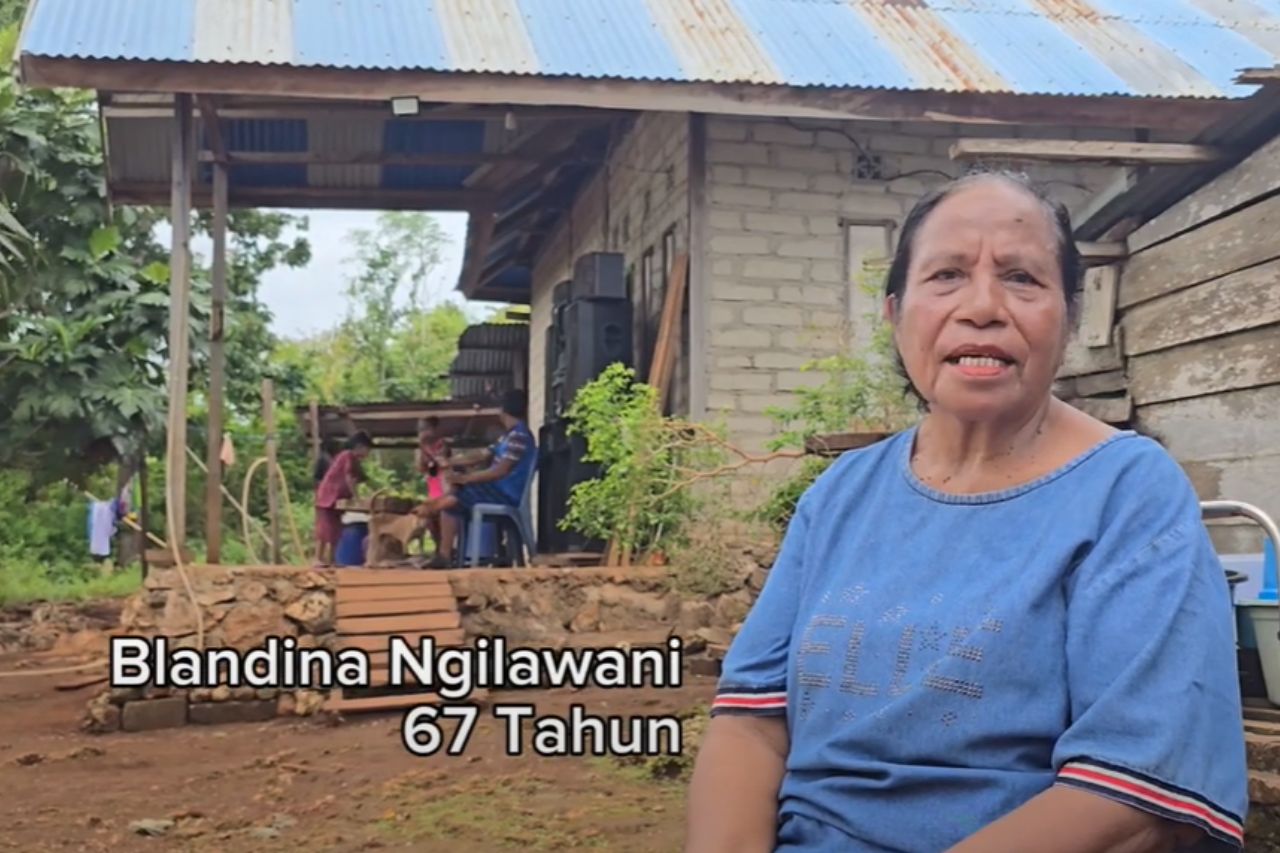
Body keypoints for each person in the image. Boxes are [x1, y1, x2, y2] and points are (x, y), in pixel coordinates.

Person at [685, 172, 1248, 853]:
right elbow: (750, 720)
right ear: (894, 314)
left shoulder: (1127, 493)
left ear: (1068, 319)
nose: (982, 305)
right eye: (947, 274)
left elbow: (1131, 792)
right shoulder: (841, 495)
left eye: (1022, 278)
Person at [415, 389, 536, 568]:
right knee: (456, 493)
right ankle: (441, 541)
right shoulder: (508, 436)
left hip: (506, 494)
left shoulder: (519, 436)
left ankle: (434, 516)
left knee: (458, 493)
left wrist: (466, 478)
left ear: (503, 411)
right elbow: (482, 455)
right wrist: (450, 462)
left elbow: (500, 471)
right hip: (497, 490)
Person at [313, 431, 372, 567]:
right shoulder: (347, 456)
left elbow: (362, 478)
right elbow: (349, 478)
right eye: (367, 449)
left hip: (337, 498)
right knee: (324, 529)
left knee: (336, 530)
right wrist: (357, 498)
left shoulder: (354, 460)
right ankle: (318, 558)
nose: (367, 453)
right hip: (327, 496)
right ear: (359, 446)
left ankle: (332, 559)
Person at [415, 417, 448, 551]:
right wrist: (421, 448)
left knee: (442, 520)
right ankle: (438, 547)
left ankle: (445, 549)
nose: (423, 432)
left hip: (444, 489)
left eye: (426, 429)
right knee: (429, 521)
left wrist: (428, 452)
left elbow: (440, 462)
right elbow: (420, 468)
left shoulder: (442, 445)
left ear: (435, 430)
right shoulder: (420, 449)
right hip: (432, 491)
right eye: (420, 430)